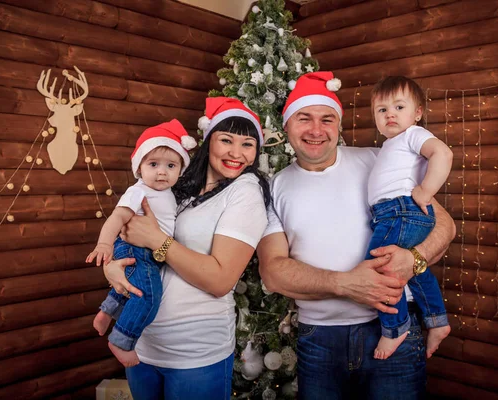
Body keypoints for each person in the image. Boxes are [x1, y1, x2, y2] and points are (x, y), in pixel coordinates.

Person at [257, 71, 456, 400]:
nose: (316, 130)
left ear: (339, 125)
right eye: (304, 118)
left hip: (395, 333)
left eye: (327, 119)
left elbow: (444, 225)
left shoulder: (379, 161)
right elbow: (273, 272)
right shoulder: (272, 188)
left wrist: (414, 259)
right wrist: (345, 283)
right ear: (287, 125)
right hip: (318, 341)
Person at [101, 97, 270, 400]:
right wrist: (112, 265)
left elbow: (220, 281)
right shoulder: (178, 184)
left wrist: (157, 241)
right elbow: (128, 228)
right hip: (143, 343)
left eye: (248, 144)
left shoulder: (245, 192)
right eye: (226, 140)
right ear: (208, 142)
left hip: (195, 352)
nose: (236, 153)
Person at [87, 119, 196, 367]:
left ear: (180, 170)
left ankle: (106, 312)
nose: (161, 172)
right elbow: (118, 218)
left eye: (171, 165)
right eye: (153, 164)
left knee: (131, 285)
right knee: (146, 295)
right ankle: (121, 340)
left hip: (150, 251)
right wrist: (104, 244)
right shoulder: (139, 191)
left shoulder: (168, 194)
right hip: (135, 248)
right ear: (139, 168)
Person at [368, 76, 453, 360]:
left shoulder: (412, 134)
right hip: (391, 213)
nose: (390, 113)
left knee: (380, 266)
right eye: (382, 110)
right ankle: (437, 320)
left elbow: (442, 152)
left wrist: (426, 191)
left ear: (417, 112)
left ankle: (395, 328)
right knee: (413, 269)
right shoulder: (389, 146)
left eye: (399, 106)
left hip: (401, 210)